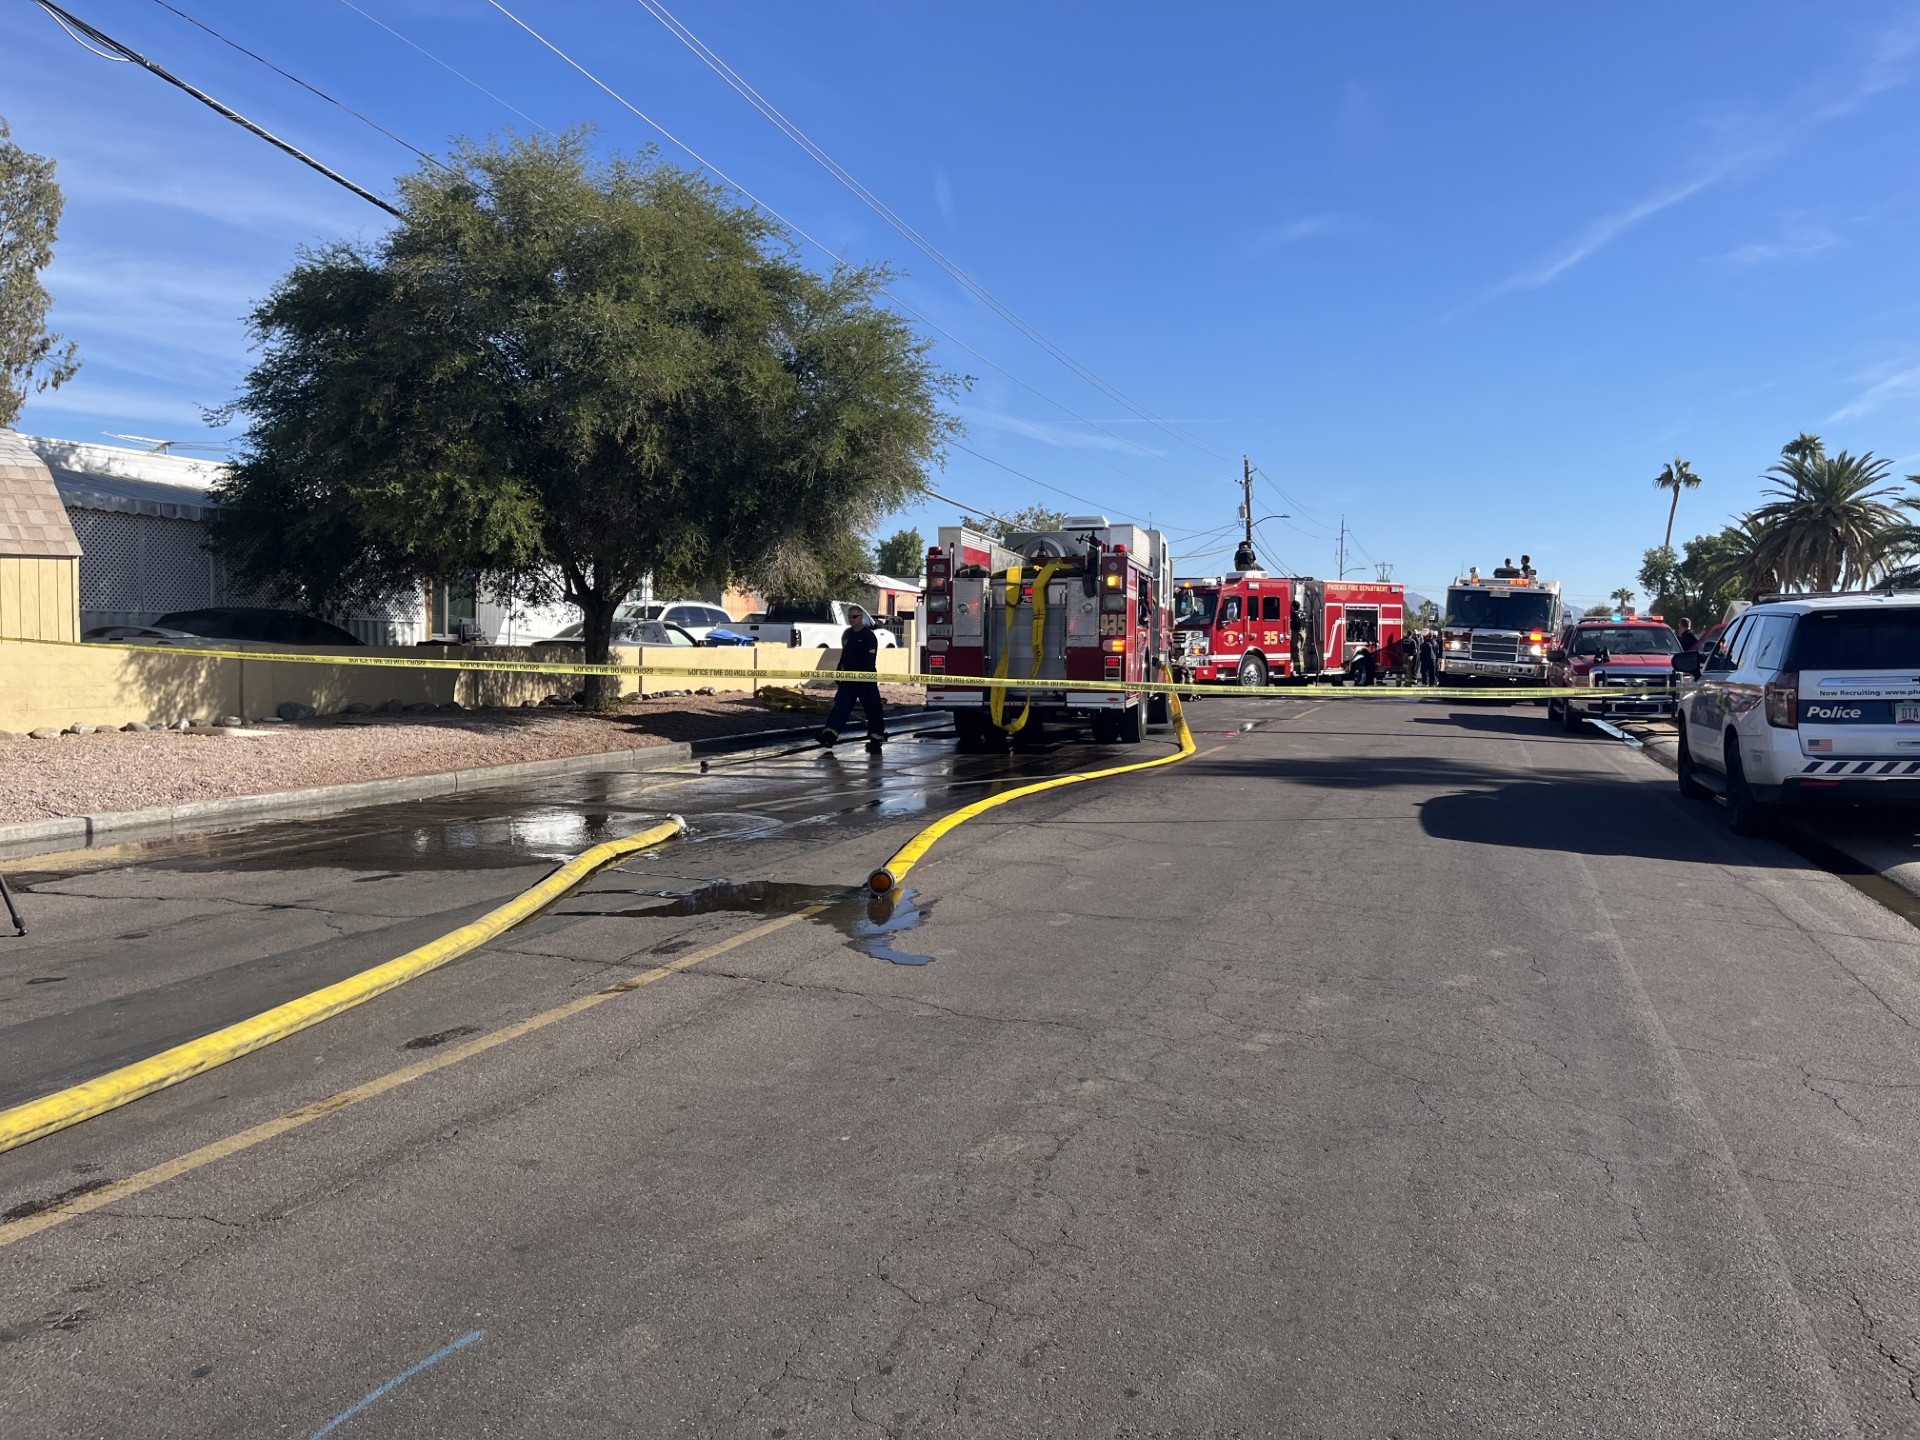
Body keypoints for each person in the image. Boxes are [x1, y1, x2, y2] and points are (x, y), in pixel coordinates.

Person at [818, 606, 886, 746]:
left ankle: (876, 736)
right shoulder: (847, 634)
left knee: (873, 708)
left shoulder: (869, 637)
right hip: (848, 679)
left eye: (854, 617)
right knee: (841, 706)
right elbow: (844, 654)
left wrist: (863, 676)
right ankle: (829, 736)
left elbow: (870, 659)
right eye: (849, 617)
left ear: (861, 618)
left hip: (865, 679)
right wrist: (839, 671)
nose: (851, 619)